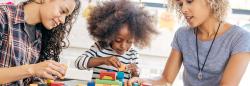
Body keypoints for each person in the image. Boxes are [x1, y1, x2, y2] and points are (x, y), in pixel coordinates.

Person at [128, 0, 250, 86]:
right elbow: (166, 80)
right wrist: (141, 80)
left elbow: (227, 84)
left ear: (210, 1)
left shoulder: (240, 37)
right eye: (180, 4)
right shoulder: (182, 35)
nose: (183, 9)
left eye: (190, 1)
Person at [0, 0, 80, 85]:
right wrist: (32, 69)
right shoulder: (3, 16)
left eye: (66, 16)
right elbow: (32, 70)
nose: (63, 20)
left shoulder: (41, 34)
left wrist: (43, 77)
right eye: (62, 11)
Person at [75, 0, 157, 80]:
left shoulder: (133, 54)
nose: (123, 46)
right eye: (118, 40)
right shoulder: (99, 47)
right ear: (109, 34)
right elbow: (78, 63)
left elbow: (135, 79)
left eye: (129, 42)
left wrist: (135, 73)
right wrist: (103, 60)